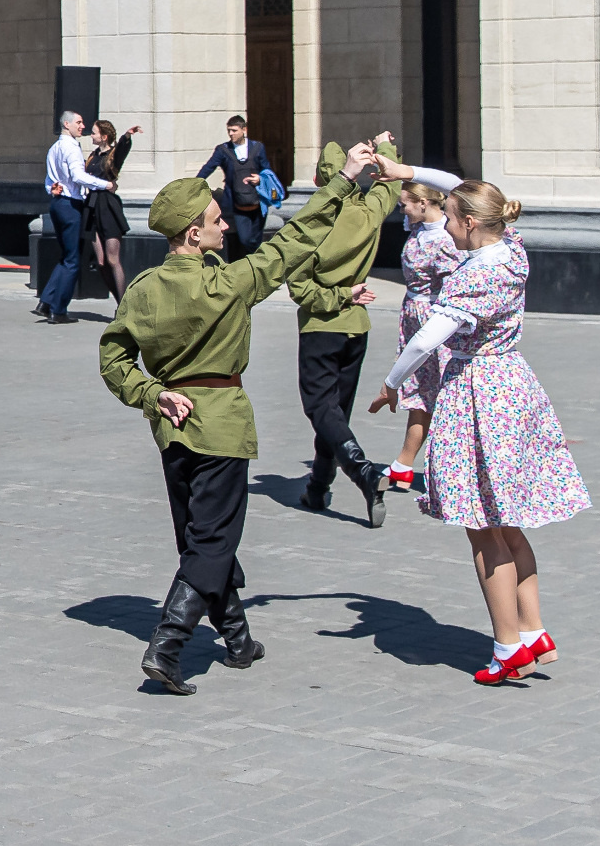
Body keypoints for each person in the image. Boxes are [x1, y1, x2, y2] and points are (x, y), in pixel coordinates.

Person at [99, 146, 379, 695]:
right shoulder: (228, 285)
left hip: (171, 428)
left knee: (201, 538)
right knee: (212, 542)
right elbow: (296, 241)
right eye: (215, 220)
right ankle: (168, 643)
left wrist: (152, 393)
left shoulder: (142, 291)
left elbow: (112, 358)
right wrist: (345, 181)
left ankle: (237, 636)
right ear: (191, 235)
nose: (225, 225)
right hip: (222, 425)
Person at [368, 178, 586, 684]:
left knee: (482, 526)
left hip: (476, 392)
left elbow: (427, 339)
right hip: (513, 385)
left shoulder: (475, 276)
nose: (443, 223)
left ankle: (507, 647)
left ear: (469, 222)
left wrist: (391, 383)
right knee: (508, 521)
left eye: (449, 215)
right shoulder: (512, 250)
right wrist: (405, 168)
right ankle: (533, 632)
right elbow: (462, 185)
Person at [285, 135, 457, 525]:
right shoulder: (369, 208)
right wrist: (385, 149)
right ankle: (318, 484)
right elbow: (393, 182)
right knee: (337, 412)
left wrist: (340, 295)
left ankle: (362, 471)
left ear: (318, 178)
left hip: (323, 324)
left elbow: (300, 288)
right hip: (357, 328)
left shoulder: (313, 218)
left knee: (319, 407)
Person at [382, 176, 464, 494]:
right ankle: (404, 464)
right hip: (412, 317)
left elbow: (458, 284)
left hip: (436, 322)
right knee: (422, 393)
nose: (401, 211)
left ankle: (447, 470)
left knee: (443, 397)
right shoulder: (416, 229)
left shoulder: (447, 237)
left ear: (423, 203)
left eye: (405, 205)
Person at [38, 111, 109, 322]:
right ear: (66, 124)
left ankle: (46, 301)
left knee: (66, 256)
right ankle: (58, 311)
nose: (82, 126)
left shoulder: (54, 148)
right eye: (78, 122)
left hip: (57, 205)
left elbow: (49, 181)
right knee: (73, 260)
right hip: (71, 205)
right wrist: (106, 185)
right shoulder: (70, 148)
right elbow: (78, 176)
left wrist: (51, 189)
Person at [195, 115, 271, 257]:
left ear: (244, 130)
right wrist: (194, 184)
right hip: (235, 205)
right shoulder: (223, 150)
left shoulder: (258, 148)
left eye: (234, 130)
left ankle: (256, 271)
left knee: (254, 240)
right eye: (229, 130)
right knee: (241, 239)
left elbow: (267, 170)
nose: (231, 134)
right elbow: (209, 167)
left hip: (257, 204)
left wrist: (260, 178)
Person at [82, 121, 137, 301]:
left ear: (104, 137)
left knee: (113, 259)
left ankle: (123, 306)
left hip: (108, 206)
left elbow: (122, 149)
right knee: (101, 262)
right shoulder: (93, 155)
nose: (91, 135)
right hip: (92, 206)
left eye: (94, 133)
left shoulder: (113, 154)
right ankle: (119, 299)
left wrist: (127, 136)